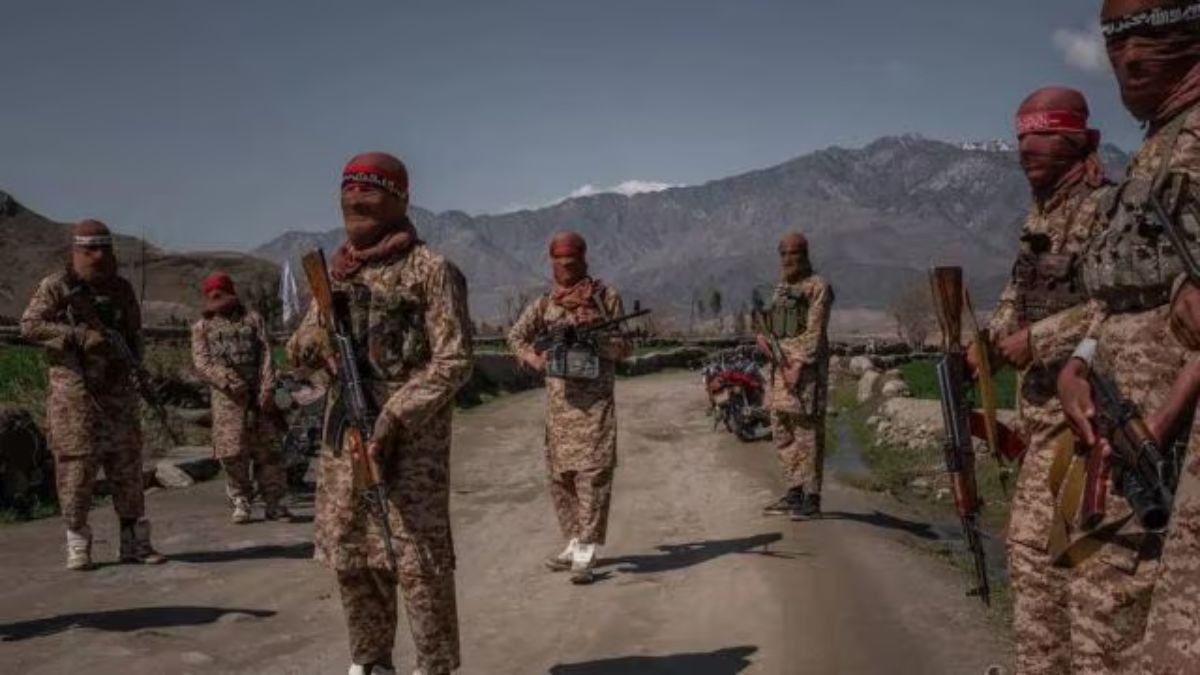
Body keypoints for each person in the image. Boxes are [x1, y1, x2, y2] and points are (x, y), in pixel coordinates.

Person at [287, 152, 472, 675]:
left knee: (419, 564)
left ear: (399, 200)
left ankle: (435, 667)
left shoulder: (430, 270)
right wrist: (317, 339)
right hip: (345, 439)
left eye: (369, 190)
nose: (355, 199)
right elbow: (297, 351)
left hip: (411, 447)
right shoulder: (334, 275)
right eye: (348, 189)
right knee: (352, 557)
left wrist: (395, 414)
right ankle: (370, 662)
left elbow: (455, 361)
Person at [1056, 1, 1200, 670]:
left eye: (1150, 34)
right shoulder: (1155, 148)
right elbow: (1117, 296)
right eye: (1115, 40)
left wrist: (1164, 418)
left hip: (1165, 442)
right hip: (1121, 431)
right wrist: (1080, 360)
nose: (1130, 57)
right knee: (1102, 614)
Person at [970, 87, 1113, 675]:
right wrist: (987, 347)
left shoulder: (1106, 210)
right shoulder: (1039, 219)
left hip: (1089, 428)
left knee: (1088, 581)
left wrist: (1039, 341)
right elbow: (1016, 299)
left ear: (1077, 139)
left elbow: (1119, 305)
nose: (1027, 148)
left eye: (1043, 134)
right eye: (1022, 136)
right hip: (1039, 424)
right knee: (1033, 568)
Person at [20, 219, 167, 570]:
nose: (98, 257)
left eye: (104, 250)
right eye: (91, 251)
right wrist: (78, 337)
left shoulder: (122, 289)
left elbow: (134, 333)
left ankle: (134, 542)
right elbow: (29, 326)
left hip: (118, 394)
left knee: (127, 467)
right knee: (76, 471)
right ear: (77, 252)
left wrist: (135, 366)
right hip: (75, 398)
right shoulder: (57, 286)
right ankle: (78, 541)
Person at [507, 231, 632, 584]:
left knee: (593, 476)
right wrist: (534, 359)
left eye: (572, 263)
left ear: (584, 261)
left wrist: (596, 336)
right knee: (561, 478)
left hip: (595, 406)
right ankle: (574, 540)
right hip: (560, 408)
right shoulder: (545, 303)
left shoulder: (606, 298)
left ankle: (587, 549)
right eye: (560, 264)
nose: (566, 270)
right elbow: (516, 337)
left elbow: (624, 349)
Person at [191, 271, 290, 523]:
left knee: (268, 451)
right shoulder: (202, 327)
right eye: (213, 296)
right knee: (233, 453)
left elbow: (267, 353)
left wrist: (267, 387)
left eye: (221, 294)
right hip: (229, 401)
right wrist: (227, 381)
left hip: (259, 396)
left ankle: (274, 502)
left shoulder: (253, 319)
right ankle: (241, 500)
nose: (218, 300)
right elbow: (202, 363)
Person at [756, 232, 833, 519]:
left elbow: (815, 332)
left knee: (807, 434)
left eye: (794, 253)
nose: (789, 259)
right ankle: (794, 492)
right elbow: (772, 325)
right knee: (782, 431)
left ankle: (812, 499)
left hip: (805, 373)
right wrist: (763, 338)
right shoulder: (781, 288)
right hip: (779, 370)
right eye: (784, 254)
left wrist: (797, 365)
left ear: (805, 254)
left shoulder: (818, 286)